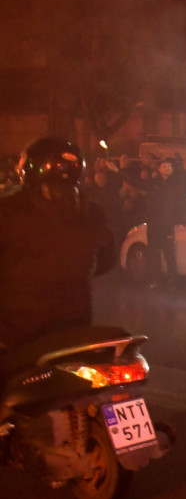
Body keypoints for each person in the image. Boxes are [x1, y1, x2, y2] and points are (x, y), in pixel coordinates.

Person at [0, 138, 116, 355]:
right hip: (75, 328)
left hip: (17, 333)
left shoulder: (8, 210)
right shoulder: (92, 211)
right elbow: (106, 262)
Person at [145, 159, 186, 286]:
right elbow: (138, 184)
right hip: (153, 224)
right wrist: (117, 171)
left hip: (167, 225)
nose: (168, 168)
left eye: (170, 166)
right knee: (154, 254)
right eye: (165, 166)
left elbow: (181, 204)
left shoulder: (176, 184)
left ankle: (173, 279)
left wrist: (181, 221)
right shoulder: (154, 183)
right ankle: (155, 279)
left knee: (169, 253)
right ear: (159, 169)